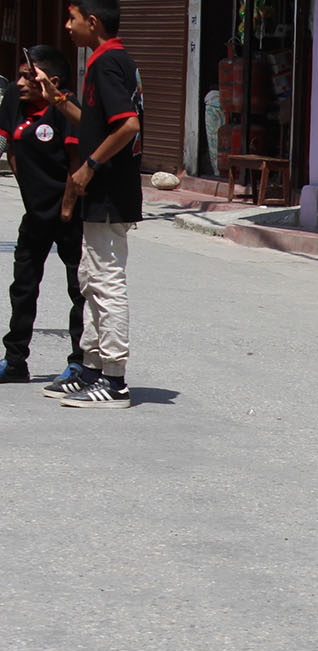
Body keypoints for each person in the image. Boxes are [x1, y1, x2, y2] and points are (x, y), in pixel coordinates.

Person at [32, 0, 140, 409]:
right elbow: (96, 123)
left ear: (91, 22)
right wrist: (57, 99)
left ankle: (115, 382)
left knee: (107, 282)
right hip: (102, 194)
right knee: (90, 279)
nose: (67, 26)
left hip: (109, 192)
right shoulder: (105, 61)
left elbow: (128, 125)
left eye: (72, 19)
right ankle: (93, 368)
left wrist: (89, 167)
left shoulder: (108, 63)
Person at [0, 45, 83, 388]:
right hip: (36, 215)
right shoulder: (12, 103)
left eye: (27, 75)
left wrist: (65, 207)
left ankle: (80, 362)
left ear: (52, 81)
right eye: (18, 75)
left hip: (71, 214)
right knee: (23, 286)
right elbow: (12, 152)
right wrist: (31, 198)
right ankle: (15, 361)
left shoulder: (68, 109)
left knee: (80, 289)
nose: (19, 82)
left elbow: (76, 161)